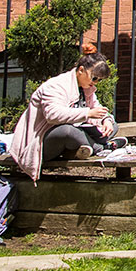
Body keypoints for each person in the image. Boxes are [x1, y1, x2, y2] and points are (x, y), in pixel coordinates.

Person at [8, 44, 124, 182]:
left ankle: (87, 148)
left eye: (99, 80)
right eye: (94, 78)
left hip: (76, 132)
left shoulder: (86, 88)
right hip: (42, 141)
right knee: (68, 132)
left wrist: (107, 121)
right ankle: (103, 147)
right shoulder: (56, 86)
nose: (96, 83)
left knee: (113, 125)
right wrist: (87, 113)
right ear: (81, 70)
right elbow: (52, 115)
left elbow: (98, 109)